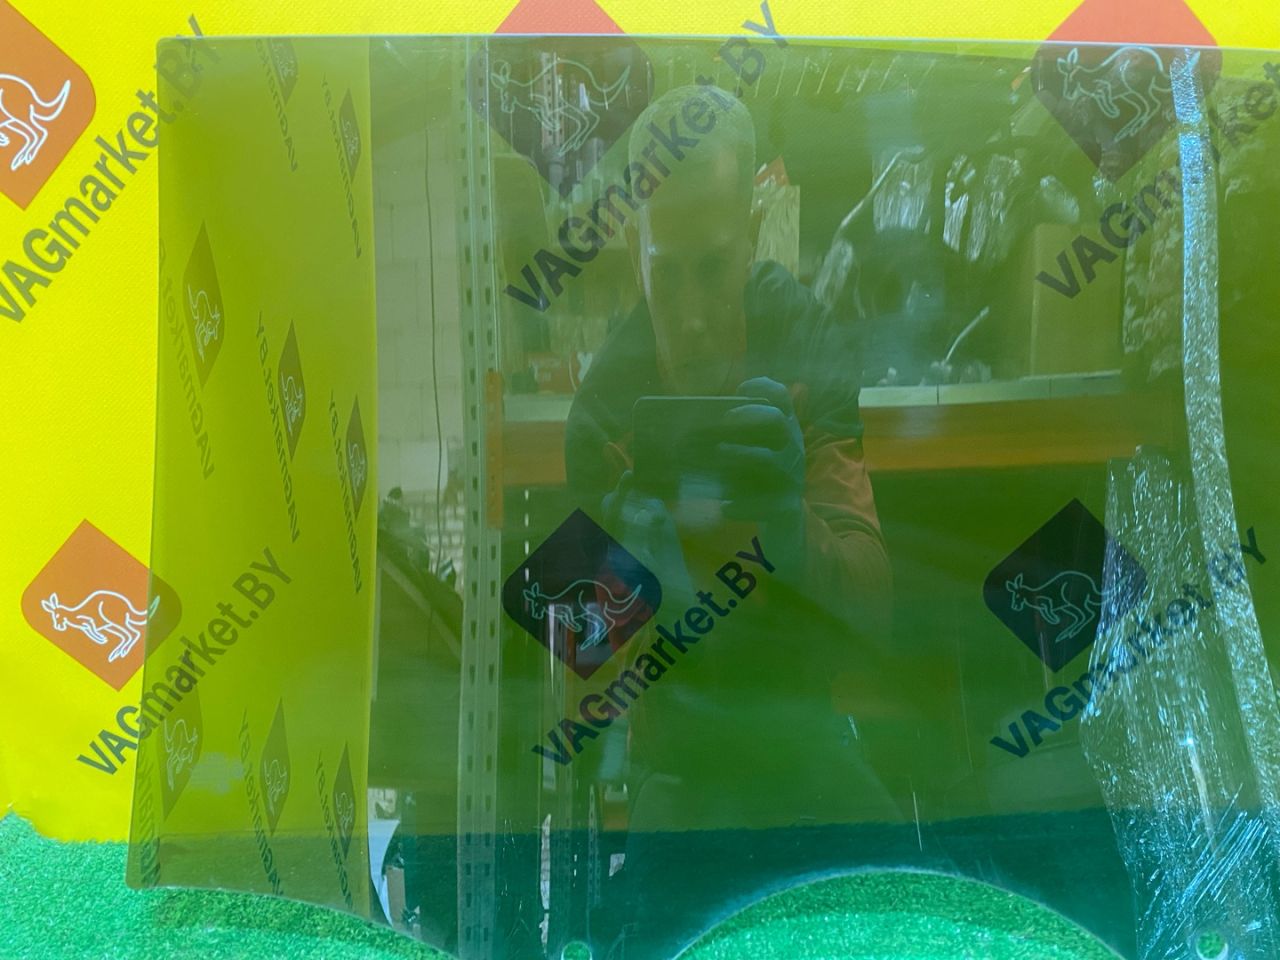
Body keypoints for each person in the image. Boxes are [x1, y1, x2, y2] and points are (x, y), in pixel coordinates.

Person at [563, 83, 901, 955]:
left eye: (713, 268)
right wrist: (618, 580)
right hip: (681, 769)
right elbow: (577, 669)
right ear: (635, 251)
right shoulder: (600, 412)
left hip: (805, 738)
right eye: (666, 272)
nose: (691, 313)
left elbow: (873, 608)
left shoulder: (806, 340)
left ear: (752, 239)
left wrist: (789, 530)